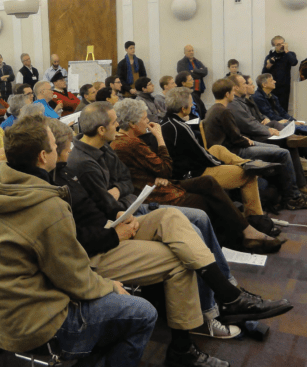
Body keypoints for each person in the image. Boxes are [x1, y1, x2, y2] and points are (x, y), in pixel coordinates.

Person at [47, 117, 293, 367]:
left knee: (173, 218)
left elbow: (116, 190)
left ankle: (229, 296)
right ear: (46, 154)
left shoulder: (64, 172)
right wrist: (115, 231)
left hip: (109, 226)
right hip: (96, 248)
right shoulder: (57, 183)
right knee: (181, 254)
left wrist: (121, 214)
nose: (72, 147)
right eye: (61, 146)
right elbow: (72, 242)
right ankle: (184, 345)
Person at [0, 116, 156, 367]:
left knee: (118, 310)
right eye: (54, 143)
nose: (65, 145)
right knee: (141, 313)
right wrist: (110, 285)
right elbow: (74, 278)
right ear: (43, 156)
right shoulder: (49, 207)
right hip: (35, 326)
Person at [111, 99, 281, 252]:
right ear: (133, 124)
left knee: (208, 181)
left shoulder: (126, 140)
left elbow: (155, 169)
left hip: (160, 184)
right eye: (144, 118)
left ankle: (244, 232)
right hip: (156, 193)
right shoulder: (130, 143)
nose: (149, 121)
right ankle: (238, 237)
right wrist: (160, 138)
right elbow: (165, 168)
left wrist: (159, 173)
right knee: (206, 199)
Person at [202, 79, 307, 210]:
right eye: (232, 91)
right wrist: (244, 140)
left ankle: (287, 192)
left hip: (230, 147)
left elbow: (231, 134)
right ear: (227, 94)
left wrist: (242, 138)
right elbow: (235, 138)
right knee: (283, 153)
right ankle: (292, 197)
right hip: (233, 152)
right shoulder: (224, 111)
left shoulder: (213, 109)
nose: (234, 94)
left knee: (278, 149)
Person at [160, 87, 274, 218]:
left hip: (186, 166)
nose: (192, 106)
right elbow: (201, 155)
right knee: (249, 175)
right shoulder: (181, 128)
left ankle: (248, 163)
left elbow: (198, 152)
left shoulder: (165, 122)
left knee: (217, 148)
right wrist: (221, 165)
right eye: (191, 104)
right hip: (192, 173)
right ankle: (256, 218)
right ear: (183, 108)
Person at [226, 74, 307, 195]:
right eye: (245, 83)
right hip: (251, 139)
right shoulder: (235, 104)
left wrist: (266, 123)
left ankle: (293, 139)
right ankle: (295, 189)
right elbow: (250, 125)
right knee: (288, 146)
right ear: (235, 88)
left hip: (255, 133)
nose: (248, 86)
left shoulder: (243, 101)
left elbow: (258, 118)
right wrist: (267, 130)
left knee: (278, 127)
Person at [250, 74, 307, 181]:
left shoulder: (273, 97)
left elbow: (283, 113)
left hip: (278, 123)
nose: (275, 81)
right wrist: (287, 121)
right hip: (270, 127)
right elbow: (270, 116)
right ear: (264, 84)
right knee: (298, 131)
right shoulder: (257, 98)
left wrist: (294, 121)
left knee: (302, 137)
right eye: (272, 80)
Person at [262, 35, 298, 111]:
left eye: (283, 43)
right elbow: (263, 74)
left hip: (284, 88)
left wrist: (287, 50)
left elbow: (294, 62)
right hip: (271, 88)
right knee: (271, 110)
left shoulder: (289, 54)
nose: (281, 46)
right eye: (278, 45)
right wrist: (268, 65)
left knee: (283, 110)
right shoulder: (270, 57)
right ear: (273, 46)